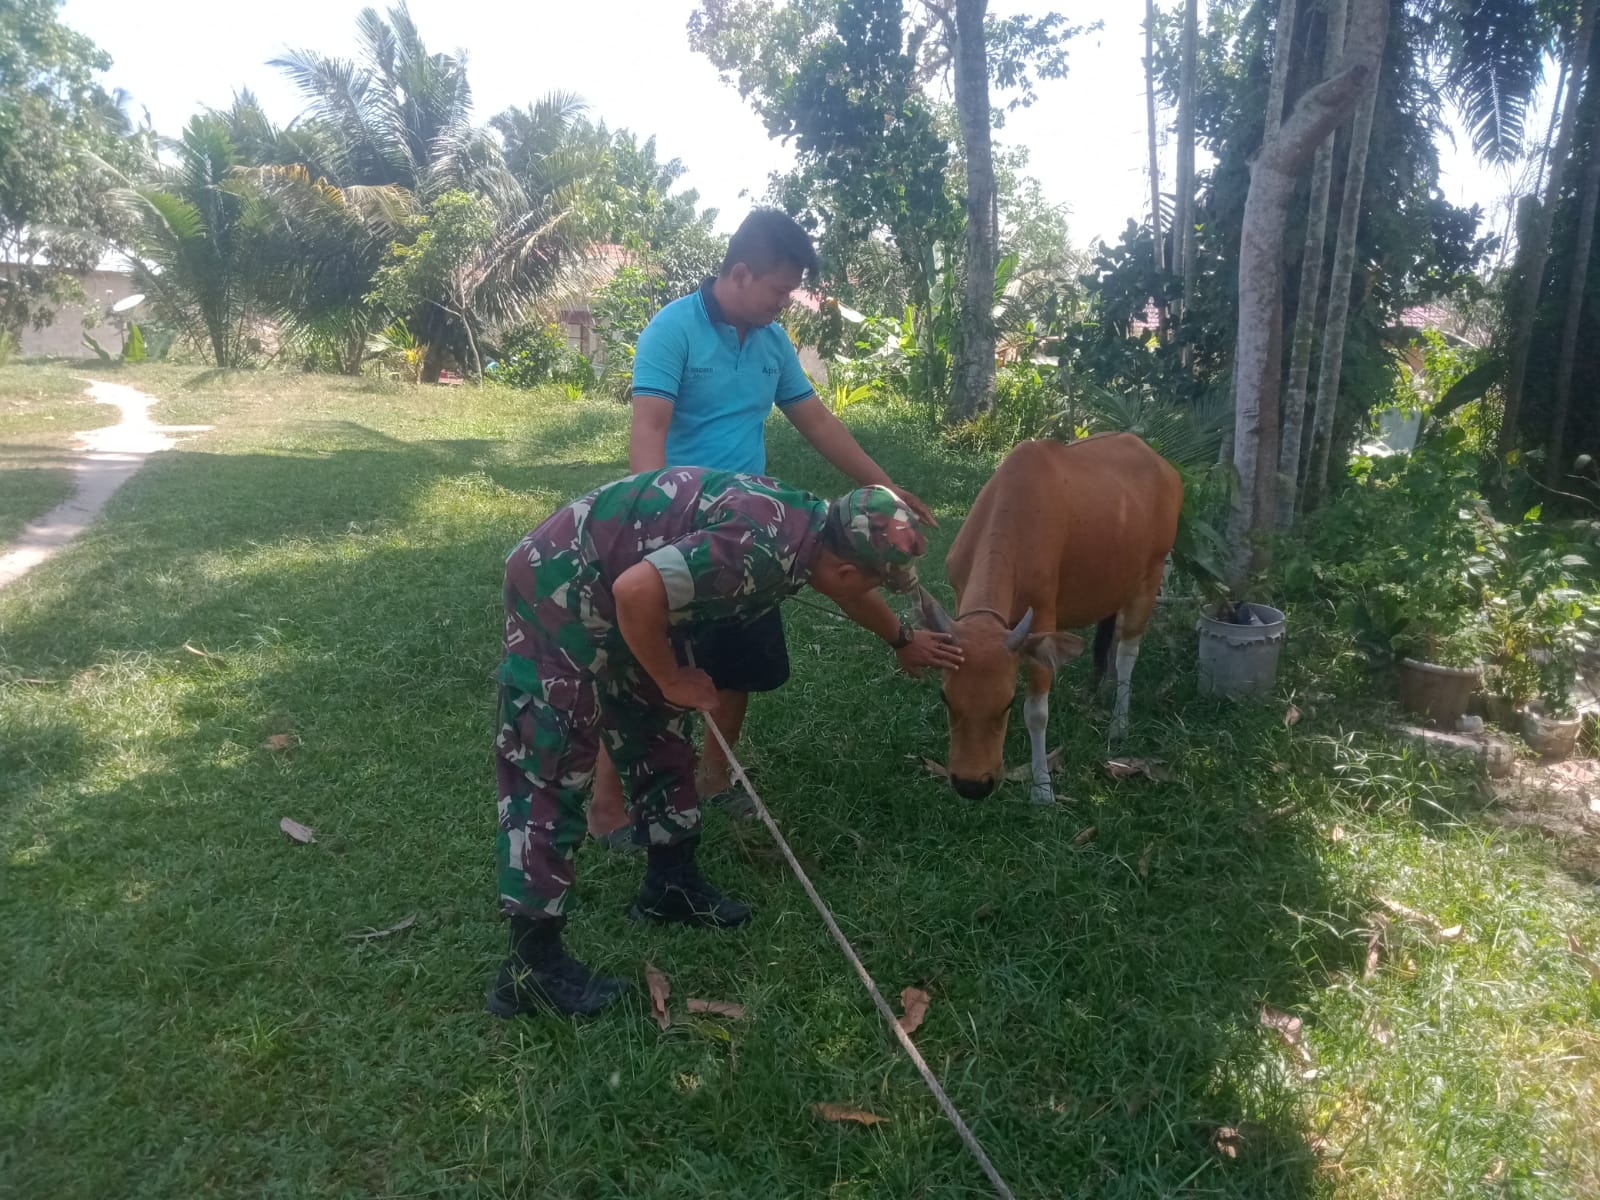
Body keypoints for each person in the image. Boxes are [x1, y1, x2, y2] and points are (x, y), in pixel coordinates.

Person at [486, 468, 963, 1017]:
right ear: (849, 567)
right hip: (561, 585)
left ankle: (670, 886)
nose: (868, 592)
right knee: (551, 757)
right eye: (873, 583)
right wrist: (670, 677)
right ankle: (529, 968)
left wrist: (900, 639)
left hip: (627, 593)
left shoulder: (814, 528)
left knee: (659, 731)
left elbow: (847, 587)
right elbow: (633, 591)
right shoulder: (757, 550)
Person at [585, 209, 939, 847]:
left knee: (738, 665)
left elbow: (819, 423)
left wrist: (884, 486)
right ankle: (608, 806)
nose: (784, 302)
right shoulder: (673, 331)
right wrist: (652, 520)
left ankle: (716, 778)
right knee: (645, 671)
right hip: (679, 525)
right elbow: (649, 432)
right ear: (740, 272)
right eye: (778, 289)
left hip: (753, 525)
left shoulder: (773, 344)